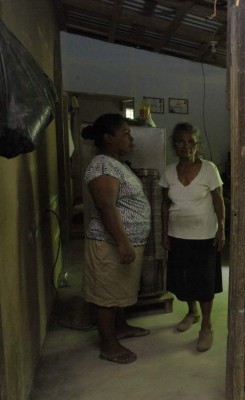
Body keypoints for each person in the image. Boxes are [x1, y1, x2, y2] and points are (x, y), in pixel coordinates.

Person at [81, 113, 151, 364]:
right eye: (125, 133)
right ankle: (108, 344)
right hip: (109, 244)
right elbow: (105, 206)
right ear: (109, 138)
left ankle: (120, 327)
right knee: (106, 295)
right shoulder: (101, 165)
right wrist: (122, 241)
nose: (130, 139)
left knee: (118, 290)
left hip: (123, 242)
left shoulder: (114, 163)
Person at [159, 122, 225, 352]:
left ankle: (206, 326)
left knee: (205, 283)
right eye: (180, 141)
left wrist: (222, 229)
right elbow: (165, 205)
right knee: (185, 279)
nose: (186, 146)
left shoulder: (209, 169)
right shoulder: (168, 172)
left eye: (190, 142)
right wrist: (164, 233)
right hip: (178, 235)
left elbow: (218, 200)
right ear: (174, 145)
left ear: (197, 145)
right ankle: (192, 312)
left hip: (204, 235)